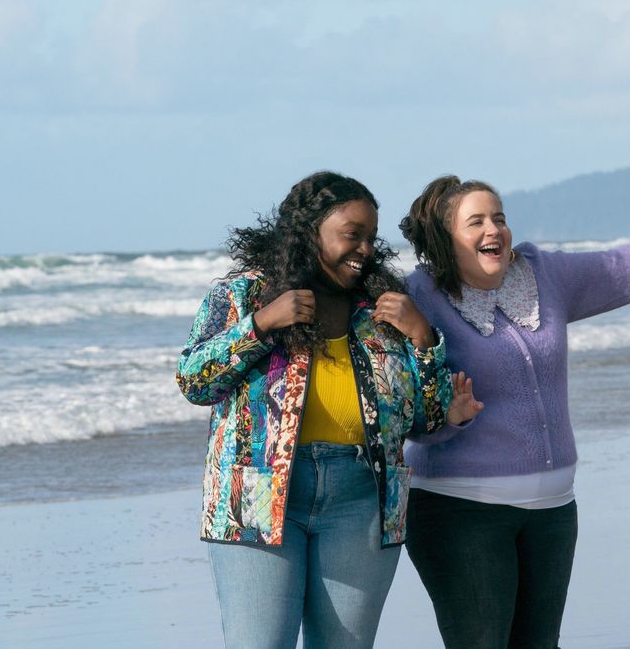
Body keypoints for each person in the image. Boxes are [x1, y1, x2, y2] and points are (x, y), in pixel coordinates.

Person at [399, 175, 630, 649]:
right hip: (461, 510)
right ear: (446, 239)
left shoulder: (541, 274)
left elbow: (622, 269)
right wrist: (450, 417)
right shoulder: (420, 297)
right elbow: (404, 417)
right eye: (477, 222)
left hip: (553, 511)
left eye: (499, 218)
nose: (494, 229)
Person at [176, 171, 481, 649]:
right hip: (258, 496)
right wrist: (262, 324)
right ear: (309, 232)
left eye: (371, 237)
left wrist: (423, 338)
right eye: (351, 234)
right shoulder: (245, 295)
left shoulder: (382, 310)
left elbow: (425, 420)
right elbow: (194, 380)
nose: (364, 249)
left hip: (364, 497)